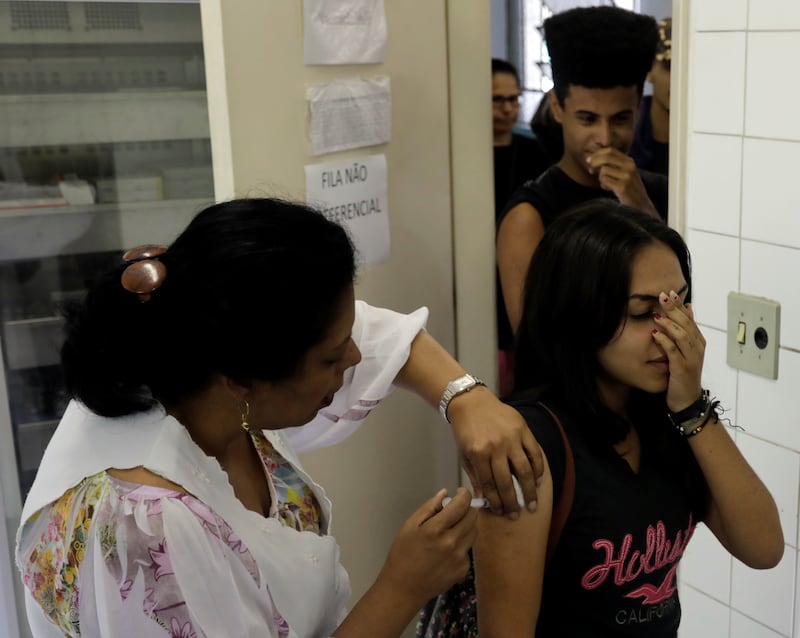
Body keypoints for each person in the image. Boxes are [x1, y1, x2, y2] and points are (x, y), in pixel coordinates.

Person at [15, 197, 543, 637]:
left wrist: (465, 396)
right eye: (333, 358)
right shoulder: (146, 529)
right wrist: (402, 586)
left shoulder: (202, 365)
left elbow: (376, 336)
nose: (356, 358)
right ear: (244, 380)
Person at [473, 201, 783, 636]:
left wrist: (692, 406)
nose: (670, 331)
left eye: (679, 306)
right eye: (642, 313)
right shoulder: (528, 444)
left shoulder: (670, 418)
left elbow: (764, 547)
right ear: (578, 314)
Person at [496, 6, 670, 337]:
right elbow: (536, 348)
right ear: (558, 108)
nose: (605, 138)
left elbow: (683, 300)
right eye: (588, 119)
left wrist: (640, 209)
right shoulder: (529, 216)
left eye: (620, 119)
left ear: (637, 109)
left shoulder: (660, 193)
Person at [491, 58, 553, 398]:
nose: (508, 109)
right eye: (497, 100)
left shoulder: (534, 151)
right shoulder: (466, 157)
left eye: (513, 99)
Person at [630, 17, 672, 176]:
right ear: (649, 71)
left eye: (689, 66)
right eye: (669, 67)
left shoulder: (709, 138)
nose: (680, 79)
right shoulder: (626, 133)